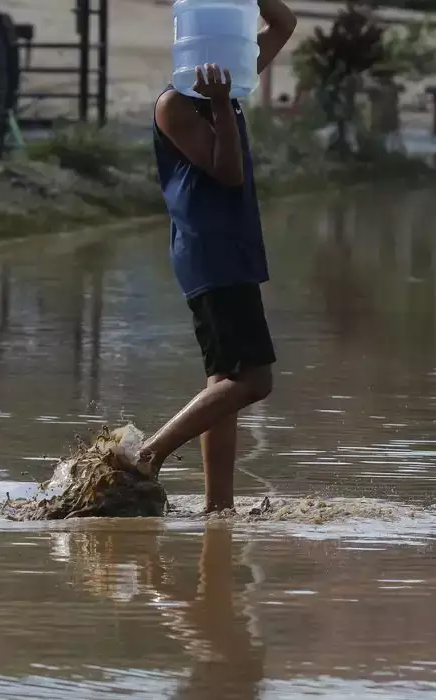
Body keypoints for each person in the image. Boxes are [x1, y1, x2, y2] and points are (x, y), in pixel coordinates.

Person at [129, 0, 297, 513]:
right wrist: (222, 103)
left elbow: (285, 24)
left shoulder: (235, 79)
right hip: (211, 252)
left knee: (224, 383)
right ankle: (146, 456)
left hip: (231, 247)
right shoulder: (176, 104)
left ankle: (218, 508)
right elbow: (228, 173)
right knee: (254, 380)